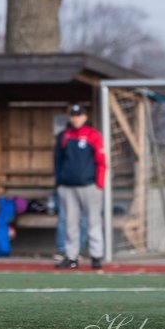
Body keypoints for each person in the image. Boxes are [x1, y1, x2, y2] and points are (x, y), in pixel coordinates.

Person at [54, 104, 105, 270]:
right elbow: (57, 161)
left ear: (85, 117)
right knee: (70, 223)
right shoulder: (64, 136)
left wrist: (100, 184)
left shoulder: (93, 135)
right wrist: (59, 182)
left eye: (79, 115)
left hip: (89, 185)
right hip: (68, 186)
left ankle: (96, 255)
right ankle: (71, 256)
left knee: (93, 222)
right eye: (73, 115)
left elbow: (101, 161)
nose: (76, 119)